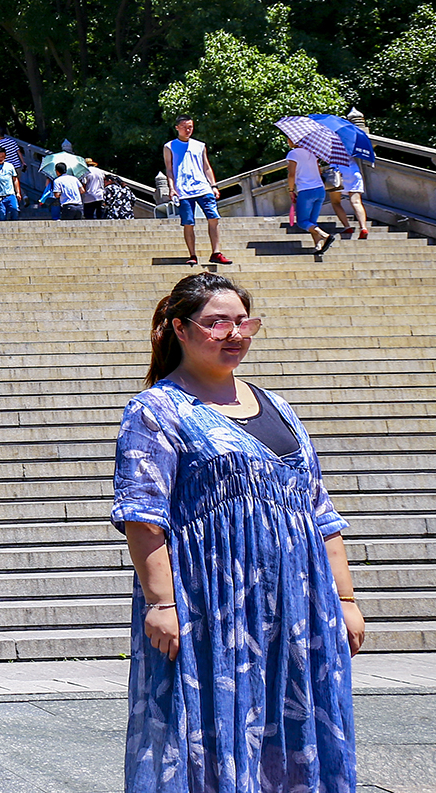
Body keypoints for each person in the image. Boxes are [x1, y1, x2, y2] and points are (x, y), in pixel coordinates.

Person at [113, 273, 361, 793]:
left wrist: (345, 598)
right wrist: (162, 603)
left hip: (299, 601)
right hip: (212, 603)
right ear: (179, 329)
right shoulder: (156, 409)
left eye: (243, 321)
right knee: (209, 722)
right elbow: (142, 513)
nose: (234, 333)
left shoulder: (277, 405)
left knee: (296, 719)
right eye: (216, 322)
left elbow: (320, 509)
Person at [163, 117, 230, 266]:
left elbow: (206, 166)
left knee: (213, 218)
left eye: (191, 127)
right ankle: (192, 254)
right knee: (188, 222)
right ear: (177, 127)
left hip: (202, 187)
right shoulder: (170, 146)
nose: (188, 130)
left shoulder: (200, 145)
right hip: (183, 189)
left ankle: (216, 252)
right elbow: (169, 169)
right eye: (185, 127)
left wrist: (213, 185)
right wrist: (172, 188)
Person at [284, 145, 337, 260]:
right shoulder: (312, 152)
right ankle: (318, 246)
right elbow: (318, 170)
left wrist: (291, 190)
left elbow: (291, 174)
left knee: (302, 222)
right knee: (312, 222)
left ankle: (325, 236)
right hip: (320, 189)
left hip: (306, 190)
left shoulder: (293, 153)